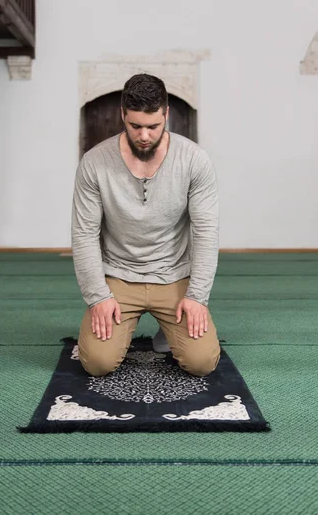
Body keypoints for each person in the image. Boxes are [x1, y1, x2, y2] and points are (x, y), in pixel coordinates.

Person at [72, 73, 220, 377]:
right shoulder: (93, 162)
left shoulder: (194, 160)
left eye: (153, 126)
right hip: (118, 276)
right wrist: (98, 297)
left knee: (202, 362)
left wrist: (196, 297)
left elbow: (205, 231)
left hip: (174, 275)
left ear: (166, 114)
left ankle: (169, 328)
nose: (144, 135)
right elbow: (84, 234)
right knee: (97, 363)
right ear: (122, 115)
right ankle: (125, 327)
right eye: (135, 126)